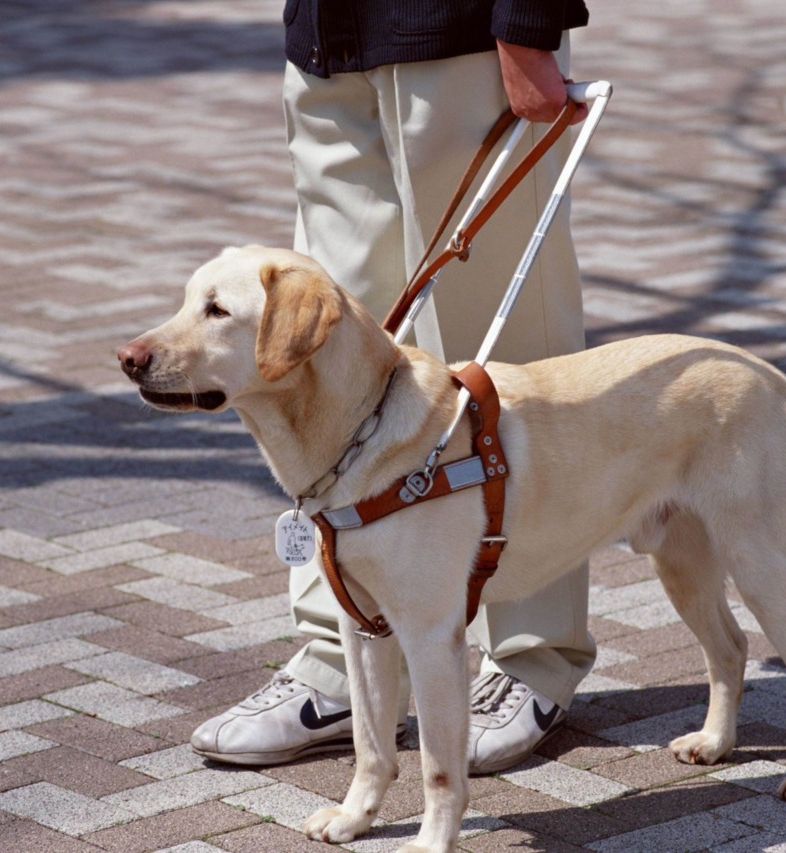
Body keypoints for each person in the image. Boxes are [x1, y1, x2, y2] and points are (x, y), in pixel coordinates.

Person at [191, 0, 595, 775]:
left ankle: (533, 651)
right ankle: (344, 656)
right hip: (329, 35)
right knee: (319, 352)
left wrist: (530, 20)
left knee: (507, 357)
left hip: (466, 35)